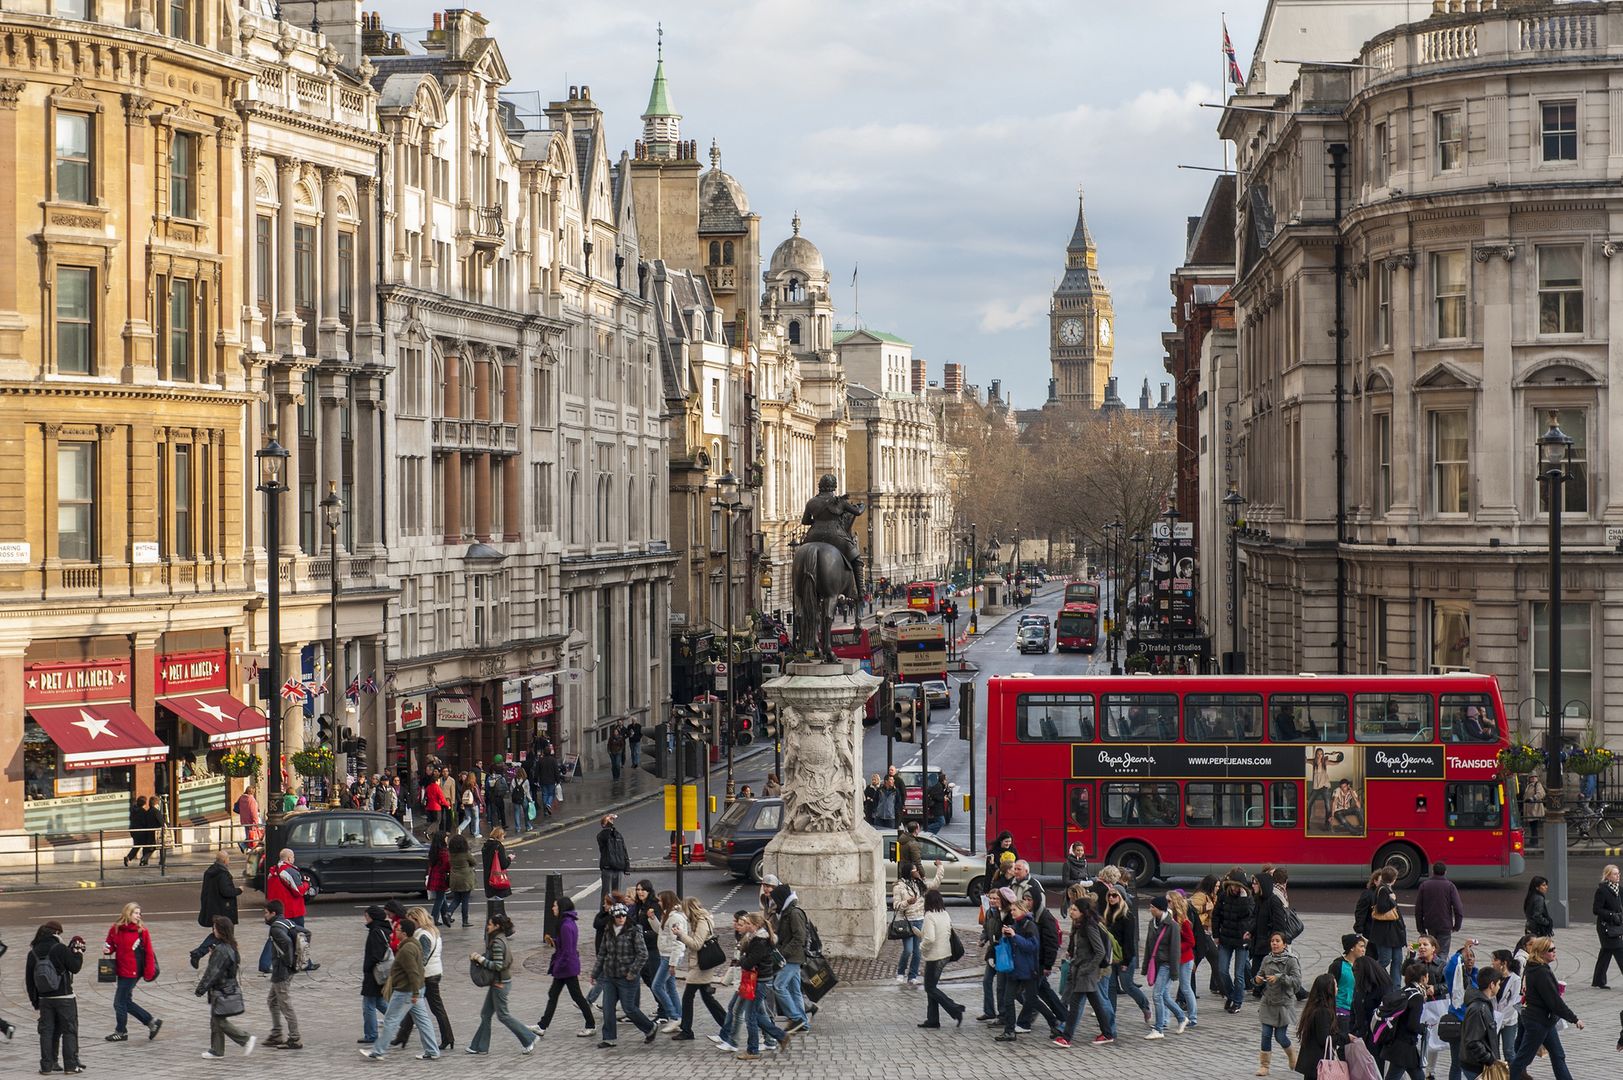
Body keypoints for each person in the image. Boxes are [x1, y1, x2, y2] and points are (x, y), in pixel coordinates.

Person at [360, 904, 439, 1061]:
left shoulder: (407, 949)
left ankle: (378, 1051)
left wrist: (415, 992)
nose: (394, 932)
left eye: (397, 930)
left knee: (391, 1020)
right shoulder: (413, 944)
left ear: (404, 933)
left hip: (406, 991)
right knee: (423, 1020)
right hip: (414, 990)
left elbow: (413, 972)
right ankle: (432, 1050)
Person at [1508, 937, 1581, 1080]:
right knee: (1522, 1059)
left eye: (1554, 949)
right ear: (1541, 952)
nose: (1554, 952)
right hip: (1538, 1021)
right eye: (1551, 950)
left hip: (1544, 1020)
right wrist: (1574, 1019)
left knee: (1558, 1055)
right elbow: (1554, 1002)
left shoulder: (1536, 968)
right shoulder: (1540, 972)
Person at [464, 913, 534, 1055]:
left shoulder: (496, 942)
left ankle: (529, 1038)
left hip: (500, 983)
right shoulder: (501, 939)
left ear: (497, 926)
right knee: (485, 1014)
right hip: (500, 982)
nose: (487, 927)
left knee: (503, 1015)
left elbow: (498, 965)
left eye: (489, 924)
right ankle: (478, 1046)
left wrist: (480, 959)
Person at [590, 902, 656, 1049]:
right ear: (613, 917)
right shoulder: (608, 931)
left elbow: (643, 954)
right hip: (610, 976)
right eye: (618, 916)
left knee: (629, 1008)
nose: (621, 918)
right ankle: (609, 1038)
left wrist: (633, 972)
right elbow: (602, 954)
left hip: (627, 977)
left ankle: (650, 1027)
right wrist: (595, 973)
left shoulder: (634, 931)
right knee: (608, 1008)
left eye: (624, 915)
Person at [26, 921, 86, 1074]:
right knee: (69, 1030)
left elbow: (29, 980)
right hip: (65, 997)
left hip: (45, 999)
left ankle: (46, 1066)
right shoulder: (59, 948)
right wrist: (78, 952)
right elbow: (75, 967)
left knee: (46, 1032)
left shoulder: (34, 952)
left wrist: (35, 1001)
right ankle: (71, 1066)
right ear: (57, 933)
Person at [1055, 896, 1115, 1047]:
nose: (1071, 912)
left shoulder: (1089, 926)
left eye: (1074, 909)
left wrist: (1088, 968)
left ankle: (1066, 1037)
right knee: (1096, 1003)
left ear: (1083, 912)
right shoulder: (1079, 925)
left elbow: (1100, 951)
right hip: (1080, 969)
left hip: (1086, 971)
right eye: (1071, 909)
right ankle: (1107, 1033)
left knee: (1075, 1004)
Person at [392, 908, 452, 1052]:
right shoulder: (433, 932)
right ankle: (402, 1036)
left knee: (435, 1008)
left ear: (417, 920)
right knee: (414, 1006)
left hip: (428, 975)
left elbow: (422, 958)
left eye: (411, 921)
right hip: (433, 972)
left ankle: (448, 1038)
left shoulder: (423, 935)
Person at [535, 895, 595, 1038]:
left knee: (577, 997)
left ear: (561, 907)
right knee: (554, 995)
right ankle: (542, 1026)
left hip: (566, 968)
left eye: (555, 906)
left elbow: (567, 950)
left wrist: (558, 966)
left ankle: (591, 1025)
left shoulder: (566, 925)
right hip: (566, 967)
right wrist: (554, 941)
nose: (553, 908)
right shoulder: (566, 923)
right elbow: (565, 944)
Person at [195, 916, 254, 1058]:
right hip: (226, 988)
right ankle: (217, 1050)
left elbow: (212, 972)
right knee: (216, 1019)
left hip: (221, 990)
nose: (213, 930)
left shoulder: (221, 950)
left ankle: (245, 1038)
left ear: (221, 931)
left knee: (219, 1020)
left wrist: (200, 989)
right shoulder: (230, 947)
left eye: (214, 928)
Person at [736, 912, 792, 1060]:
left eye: (748, 923)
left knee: (750, 1017)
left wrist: (742, 958)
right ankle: (780, 1036)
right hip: (760, 981)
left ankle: (753, 1050)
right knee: (758, 1015)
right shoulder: (756, 939)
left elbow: (749, 963)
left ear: (756, 926)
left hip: (759, 982)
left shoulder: (759, 942)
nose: (745, 925)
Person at [103, 901, 161, 1042]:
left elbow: (148, 952)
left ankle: (121, 1031)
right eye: (135, 913)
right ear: (127, 913)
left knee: (119, 1002)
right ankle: (151, 1022)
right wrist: (108, 949)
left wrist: (149, 972)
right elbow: (110, 943)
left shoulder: (142, 931)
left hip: (133, 972)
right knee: (125, 1001)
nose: (138, 915)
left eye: (139, 913)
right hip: (121, 969)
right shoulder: (116, 928)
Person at [672, 896, 725, 1040]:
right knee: (708, 998)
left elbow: (697, 944)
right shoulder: (700, 919)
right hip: (700, 964)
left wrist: (681, 935)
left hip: (700, 966)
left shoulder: (702, 921)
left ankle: (687, 1030)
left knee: (688, 997)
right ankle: (727, 1025)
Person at [768, 882, 814, 1033]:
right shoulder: (786, 912)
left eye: (775, 900)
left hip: (793, 958)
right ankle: (804, 1024)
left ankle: (796, 1018)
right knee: (795, 991)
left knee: (779, 986)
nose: (774, 903)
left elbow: (799, 937)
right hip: (791, 957)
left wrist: (783, 953)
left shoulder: (794, 913)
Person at [262, 848, 316, 973]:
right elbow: (298, 891)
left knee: (275, 936)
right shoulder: (289, 871)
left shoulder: (272, 872)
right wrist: (306, 884)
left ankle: (264, 963)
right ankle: (305, 962)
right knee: (300, 936)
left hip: (279, 910)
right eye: (293, 857)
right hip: (293, 910)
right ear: (288, 858)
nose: (294, 859)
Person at [1254, 931, 1301, 1074]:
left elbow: (1297, 982)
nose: (1274, 944)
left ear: (1284, 944)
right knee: (1266, 1034)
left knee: (1280, 1036)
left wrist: (1280, 977)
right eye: (1272, 941)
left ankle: (1292, 1054)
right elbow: (1260, 975)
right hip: (1268, 1002)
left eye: (1277, 941)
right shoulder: (1267, 959)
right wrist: (1257, 980)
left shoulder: (1291, 960)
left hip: (1283, 1004)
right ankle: (1264, 1066)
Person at [995, 896, 1040, 1042]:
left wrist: (1014, 936)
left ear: (1022, 910)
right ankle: (1009, 1031)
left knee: (1032, 999)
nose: (1012, 912)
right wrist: (1006, 936)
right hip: (1014, 969)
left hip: (1027, 969)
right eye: (1011, 910)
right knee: (1008, 999)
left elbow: (1032, 946)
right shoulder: (1016, 924)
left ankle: (1054, 1022)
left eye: (1014, 910)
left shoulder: (1029, 925)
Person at [918, 888, 965, 1029]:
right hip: (946, 954)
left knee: (930, 988)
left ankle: (955, 1009)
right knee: (931, 987)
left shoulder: (929, 916)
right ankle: (932, 1019)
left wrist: (922, 947)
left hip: (935, 956)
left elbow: (930, 938)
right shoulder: (944, 913)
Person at [1142, 894, 1187, 1039]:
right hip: (1156, 963)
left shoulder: (1172, 925)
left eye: (1153, 907)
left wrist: (1175, 972)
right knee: (1164, 996)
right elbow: (1149, 946)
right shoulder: (1152, 923)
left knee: (1157, 994)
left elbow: (1175, 950)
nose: (1150, 909)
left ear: (1160, 909)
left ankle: (1159, 1028)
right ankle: (1181, 1017)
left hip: (1167, 964)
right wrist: (1145, 966)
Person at [893, 861, 943, 986]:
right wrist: (907, 902)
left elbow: (935, 885)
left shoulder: (919, 884)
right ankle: (900, 972)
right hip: (907, 921)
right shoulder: (899, 887)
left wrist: (940, 867)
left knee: (918, 951)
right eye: (914, 870)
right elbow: (896, 905)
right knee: (908, 950)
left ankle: (912, 976)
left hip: (920, 919)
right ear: (909, 872)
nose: (917, 872)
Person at [1378, 962, 1431, 1080]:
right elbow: (1412, 1025)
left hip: (1397, 1041)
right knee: (1394, 1076)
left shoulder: (1405, 991)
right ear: (1423, 978)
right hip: (1404, 1045)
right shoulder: (1417, 996)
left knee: (1418, 1075)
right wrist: (1422, 1028)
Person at [1214, 869, 1256, 1014]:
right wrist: (1216, 935)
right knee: (1222, 970)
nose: (1234, 888)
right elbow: (1216, 915)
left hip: (1241, 940)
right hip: (1225, 937)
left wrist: (1243, 899)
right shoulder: (1224, 895)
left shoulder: (1248, 898)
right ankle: (1232, 995)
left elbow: (1248, 915)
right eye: (1232, 885)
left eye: (1237, 886)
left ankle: (1237, 1001)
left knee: (1239, 974)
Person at [263, 901, 304, 1050]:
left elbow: (286, 942)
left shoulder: (275, 928)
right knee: (272, 1001)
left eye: (266, 913)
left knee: (285, 1004)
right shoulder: (287, 922)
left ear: (273, 913)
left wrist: (288, 962)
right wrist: (298, 959)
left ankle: (294, 1038)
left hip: (282, 970)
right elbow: (306, 933)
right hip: (286, 969)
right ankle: (276, 1033)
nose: (264, 916)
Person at [1294, 972, 1344, 1078]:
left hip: (1312, 1062)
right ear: (1329, 990)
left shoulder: (1314, 1007)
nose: (1337, 988)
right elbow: (1324, 1039)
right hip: (1317, 1063)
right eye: (1335, 985)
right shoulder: (1323, 1011)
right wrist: (1344, 1037)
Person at [1364, 867, 1407, 987]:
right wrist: (1393, 900)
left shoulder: (1385, 888)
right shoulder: (1383, 890)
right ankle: (1372, 980)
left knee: (1397, 960)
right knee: (1385, 960)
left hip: (1394, 934)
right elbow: (1382, 908)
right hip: (1386, 934)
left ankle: (1396, 987)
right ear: (1394, 879)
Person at [650, 891, 686, 1031]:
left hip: (670, 956)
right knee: (670, 987)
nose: (658, 902)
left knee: (657, 986)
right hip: (666, 954)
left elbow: (678, 942)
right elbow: (662, 932)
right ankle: (679, 1017)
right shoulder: (668, 915)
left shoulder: (675, 918)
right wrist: (653, 919)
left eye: (660, 900)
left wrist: (673, 963)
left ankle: (674, 1016)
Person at [1459, 965, 1502, 1080]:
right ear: (1491, 985)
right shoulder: (1478, 1008)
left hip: (1479, 1064)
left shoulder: (1483, 1005)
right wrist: (1489, 1059)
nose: (1499, 987)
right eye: (1498, 984)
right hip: (1476, 1066)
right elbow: (1473, 1041)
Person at [1415, 862, 1464, 957]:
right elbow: (1458, 908)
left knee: (1430, 951)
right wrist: (1456, 926)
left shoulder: (1424, 885)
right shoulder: (1450, 886)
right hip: (1445, 925)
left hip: (1430, 923)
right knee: (1443, 952)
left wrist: (1420, 927)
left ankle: (1430, 969)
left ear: (1433, 871)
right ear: (1445, 872)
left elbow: (1418, 909)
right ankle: (1440, 970)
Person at [359, 906, 391, 1046]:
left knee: (368, 1004)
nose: (365, 919)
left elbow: (376, 954)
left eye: (366, 916)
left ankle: (371, 1034)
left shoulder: (375, 932)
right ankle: (402, 1020)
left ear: (372, 917)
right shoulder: (384, 929)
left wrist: (367, 967)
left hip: (375, 973)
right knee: (379, 1001)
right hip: (381, 972)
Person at [1489, 949, 1522, 1064]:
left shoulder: (1515, 979)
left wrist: (1501, 1019)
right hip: (1493, 1020)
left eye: (1495, 960)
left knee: (1508, 1051)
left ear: (1504, 963)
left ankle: (1515, 1074)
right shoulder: (1493, 977)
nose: (1493, 963)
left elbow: (1513, 1002)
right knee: (1493, 1051)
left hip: (1508, 1020)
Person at [1593, 863, 1623, 988]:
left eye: (1619, 873)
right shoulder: (1602, 890)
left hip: (1616, 926)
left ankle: (1598, 980)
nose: (1618, 876)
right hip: (1606, 928)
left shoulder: (1619, 889)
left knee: (1605, 953)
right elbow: (1596, 909)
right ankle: (1598, 980)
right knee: (1620, 951)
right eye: (1615, 874)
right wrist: (1611, 914)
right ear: (1608, 876)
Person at [197, 850, 241, 932]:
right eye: (228, 859)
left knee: (216, 933)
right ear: (225, 860)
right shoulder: (223, 874)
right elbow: (226, 891)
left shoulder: (210, 871)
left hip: (213, 909)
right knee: (226, 935)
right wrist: (239, 890)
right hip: (224, 910)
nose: (229, 861)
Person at [481, 827, 512, 919]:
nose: (503, 838)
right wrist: (510, 858)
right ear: (499, 836)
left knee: (492, 901)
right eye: (503, 836)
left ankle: (493, 920)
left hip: (488, 877)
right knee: (499, 902)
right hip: (497, 877)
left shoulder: (485, 846)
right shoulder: (498, 846)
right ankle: (499, 921)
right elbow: (504, 864)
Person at [597, 813, 629, 899]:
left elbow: (624, 850)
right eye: (608, 821)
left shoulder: (618, 835)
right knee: (606, 894)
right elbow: (606, 835)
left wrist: (627, 867)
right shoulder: (601, 835)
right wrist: (609, 824)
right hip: (608, 867)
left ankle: (616, 911)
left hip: (618, 867)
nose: (611, 822)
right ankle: (604, 911)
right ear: (604, 824)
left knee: (617, 894)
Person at [425, 833, 451, 927]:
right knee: (440, 899)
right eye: (446, 838)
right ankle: (434, 918)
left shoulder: (434, 850)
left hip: (435, 876)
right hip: (440, 877)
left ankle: (446, 916)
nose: (447, 839)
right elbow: (446, 865)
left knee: (442, 897)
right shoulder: (443, 852)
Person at [123, 795, 158, 867]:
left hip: (133, 830)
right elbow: (145, 822)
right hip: (141, 831)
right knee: (146, 845)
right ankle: (143, 860)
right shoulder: (143, 812)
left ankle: (129, 858)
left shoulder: (133, 810)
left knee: (137, 845)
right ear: (144, 804)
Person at [1521, 772, 1546, 849]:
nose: (1533, 778)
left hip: (1535, 809)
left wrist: (1533, 798)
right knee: (1532, 827)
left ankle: (1535, 842)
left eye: (1534, 777)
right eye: (1532, 777)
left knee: (1534, 827)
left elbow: (1541, 793)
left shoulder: (1537, 784)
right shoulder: (1529, 785)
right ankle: (1532, 841)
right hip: (1530, 809)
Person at [536, 745, 560, 817]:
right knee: (551, 794)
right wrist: (558, 780)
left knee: (544, 794)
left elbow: (537, 771)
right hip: (551, 780)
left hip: (543, 781)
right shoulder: (553, 760)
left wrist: (536, 779)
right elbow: (556, 771)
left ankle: (545, 811)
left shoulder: (540, 760)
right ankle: (548, 804)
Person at [234, 787, 260, 853]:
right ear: (252, 792)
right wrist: (255, 822)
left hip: (244, 819)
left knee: (248, 835)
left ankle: (247, 847)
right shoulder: (251, 799)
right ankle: (244, 845)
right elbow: (253, 811)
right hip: (251, 821)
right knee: (253, 836)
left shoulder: (241, 797)